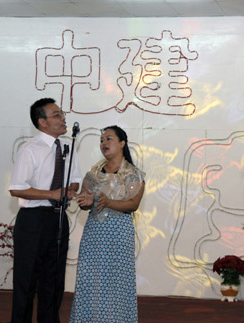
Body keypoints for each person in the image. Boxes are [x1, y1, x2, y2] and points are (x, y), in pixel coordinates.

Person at [9, 98, 82, 323]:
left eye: (62, 114)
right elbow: (17, 188)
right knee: (27, 282)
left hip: (58, 219)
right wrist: (52, 194)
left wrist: (70, 190)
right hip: (33, 221)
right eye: (57, 115)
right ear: (42, 122)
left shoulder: (67, 147)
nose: (63, 119)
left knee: (54, 282)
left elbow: (75, 180)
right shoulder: (30, 149)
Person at [70, 125, 145, 323]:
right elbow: (87, 202)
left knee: (116, 282)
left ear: (122, 143)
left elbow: (133, 204)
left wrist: (108, 202)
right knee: (90, 280)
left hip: (118, 233)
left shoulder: (133, 174)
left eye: (109, 139)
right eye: (102, 140)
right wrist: (86, 203)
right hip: (94, 232)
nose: (104, 143)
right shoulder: (93, 173)